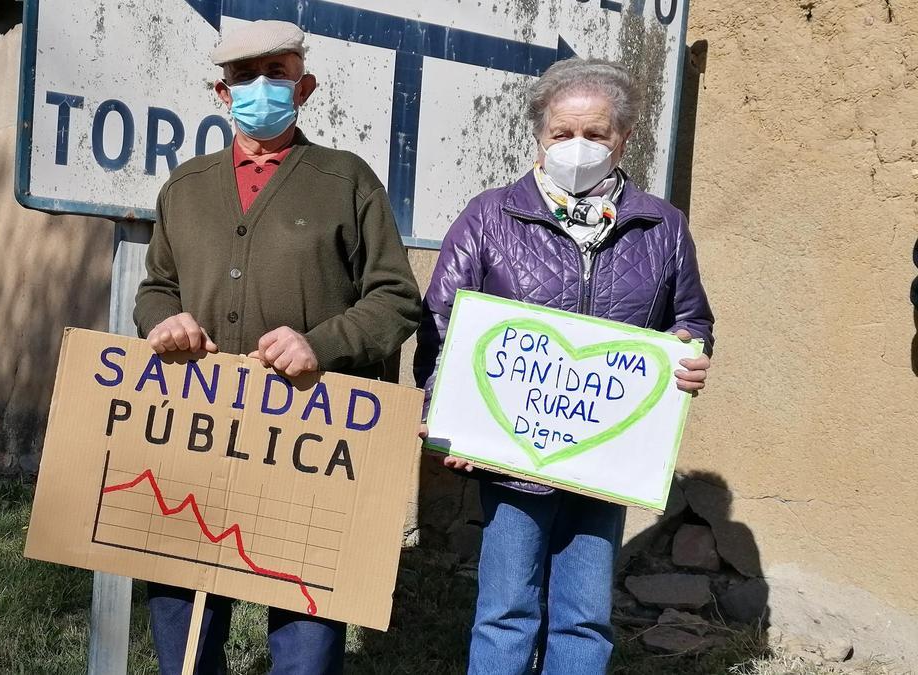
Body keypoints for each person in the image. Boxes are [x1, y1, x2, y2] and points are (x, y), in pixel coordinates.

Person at [132, 19, 422, 675]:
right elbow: (158, 286)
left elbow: (397, 297)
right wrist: (164, 323)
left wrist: (321, 344)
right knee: (184, 612)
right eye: (243, 75)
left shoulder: (346, 180)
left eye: (278, 73)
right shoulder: (184, 188)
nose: (260, 87)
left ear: (305, 85)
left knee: (304, 623)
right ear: (221, 92)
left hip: (307, 440)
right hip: (197, 430)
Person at [413, 58, 715, 674]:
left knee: (584, 618)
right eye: (562, 133)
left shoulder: (663, 227)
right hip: (510, 454)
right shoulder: (490, 216)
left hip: (603, 458)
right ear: (539, 135)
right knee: (505, 612)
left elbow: (692, 320)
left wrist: (689, 353)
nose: (577, 147)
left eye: (596, 134)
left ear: (623, 138)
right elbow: (441, 323)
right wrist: (447, 416)